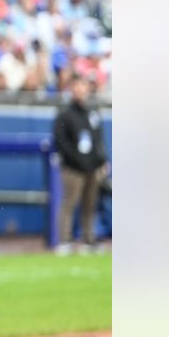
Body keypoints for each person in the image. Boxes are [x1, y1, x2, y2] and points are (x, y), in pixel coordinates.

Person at [52, 74, 109, 255]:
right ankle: (65, 240)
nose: (79, 90)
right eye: (76, 86)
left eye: (82, 86)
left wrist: (102, 161)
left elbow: (98, 140)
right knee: (69, 203)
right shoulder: (64, 115)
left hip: (93, 168)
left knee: (90, 206)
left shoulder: (92, 113)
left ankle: (88, 239)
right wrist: (77, 161)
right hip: (73, 168)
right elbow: (62, 142)